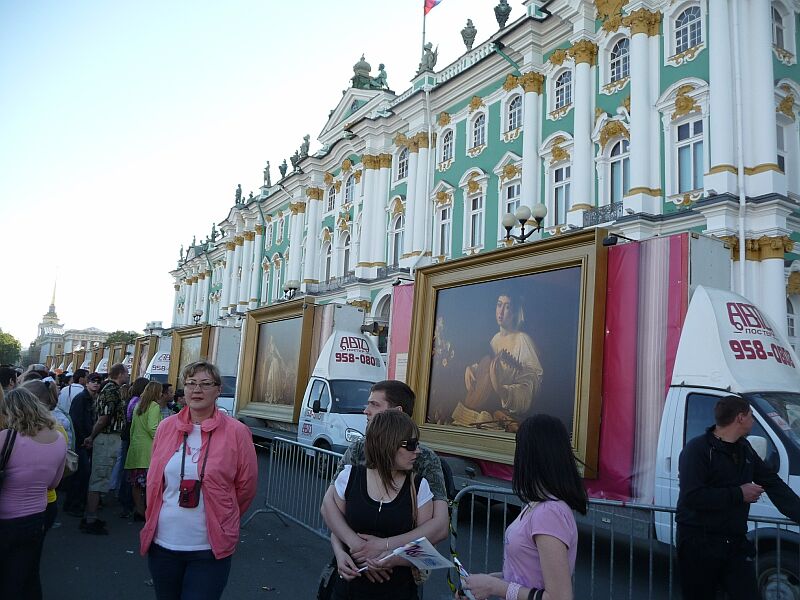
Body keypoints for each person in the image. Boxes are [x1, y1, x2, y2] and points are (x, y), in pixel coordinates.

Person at [140, 361, 258, 600]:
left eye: (205, 384)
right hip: (163, 544)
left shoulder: (237, 432)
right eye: (191, 383)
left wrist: (225, 516)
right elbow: (156, 482)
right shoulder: (166, 427)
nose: (197, 390)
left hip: (208, 548)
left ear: (218, 390)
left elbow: (246, 488)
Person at [321, 381, 449, 583]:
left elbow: (439, 528)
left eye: (374, 404)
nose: (366, 411)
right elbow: (332, 508)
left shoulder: (425, 459)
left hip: (399, 581)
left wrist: (384, 549)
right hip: (351, 573)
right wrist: (350, 548)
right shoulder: (356, 450)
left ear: (397, 412)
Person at [676, 395, 800, 599]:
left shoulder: (745, 449)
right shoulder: (697, 450)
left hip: (734, 544)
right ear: (740, 418)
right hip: (698, 543)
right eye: (751, 416)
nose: (753, 421)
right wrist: (739, 493)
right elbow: (693, 497)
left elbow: (773, 483)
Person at [460, 414, 587, 600]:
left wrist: (494, 586)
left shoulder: (549, 512)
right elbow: (524, 576)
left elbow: (560, 597)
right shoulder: (538, 505)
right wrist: (483, 583)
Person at [329, 410, 433, 599]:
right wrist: (339, 554)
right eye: (410, 444)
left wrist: (391, 559)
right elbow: (337, 526)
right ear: (388, 444)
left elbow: (425, 550)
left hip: (397, 592)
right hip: (348, 591)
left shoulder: (419, 488)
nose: (417, 450)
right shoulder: (349, 477)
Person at [0, 387, 67, 599]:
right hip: (37, 518)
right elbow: (53, 484)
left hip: (5, 519)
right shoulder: (59, 439)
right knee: (27, 574)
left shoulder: (6, 437)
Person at [457, 292, 543, 431]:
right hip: (489, 408)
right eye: (499, 305)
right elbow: (487, 366)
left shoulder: (523, 340)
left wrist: (502, 390)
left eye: (507, 307)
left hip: (510, 414)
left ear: (515, 312)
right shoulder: (495, 339)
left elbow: (531, 384)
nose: (501, 311)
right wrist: (471, 369)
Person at [82, 362, 129, 535]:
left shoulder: (107, 388)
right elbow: (104, 417)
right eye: (126, 373)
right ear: (120, 373)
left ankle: (91, 516)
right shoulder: (111, 390)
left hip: (107, 437)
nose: (128, 375)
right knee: (99, 477)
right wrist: (92, 436)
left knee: (100, 476)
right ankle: (91, 518)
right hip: (107, 438)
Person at [64, 372, 102, 516]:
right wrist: (85, 439)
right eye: (93, 381)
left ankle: (77, 503)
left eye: (98, 381)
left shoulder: (94, 399)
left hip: (87, 441)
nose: (96, 383)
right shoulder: (81, 398)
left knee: (83, 474)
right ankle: (73, 504)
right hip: (81, 442)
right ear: (87, 383)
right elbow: (76, 421)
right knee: (80, 474)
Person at [125, 381, 164, 521]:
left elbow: (133, 428)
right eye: (160, 391)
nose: (161, 394)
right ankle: (149, 511)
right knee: (150, 484)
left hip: (136, 449)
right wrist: (163, 441)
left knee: (136, 483)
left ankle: (139, 510)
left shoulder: (138, 405)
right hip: (149, 451)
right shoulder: (154, 406)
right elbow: (153, 427)